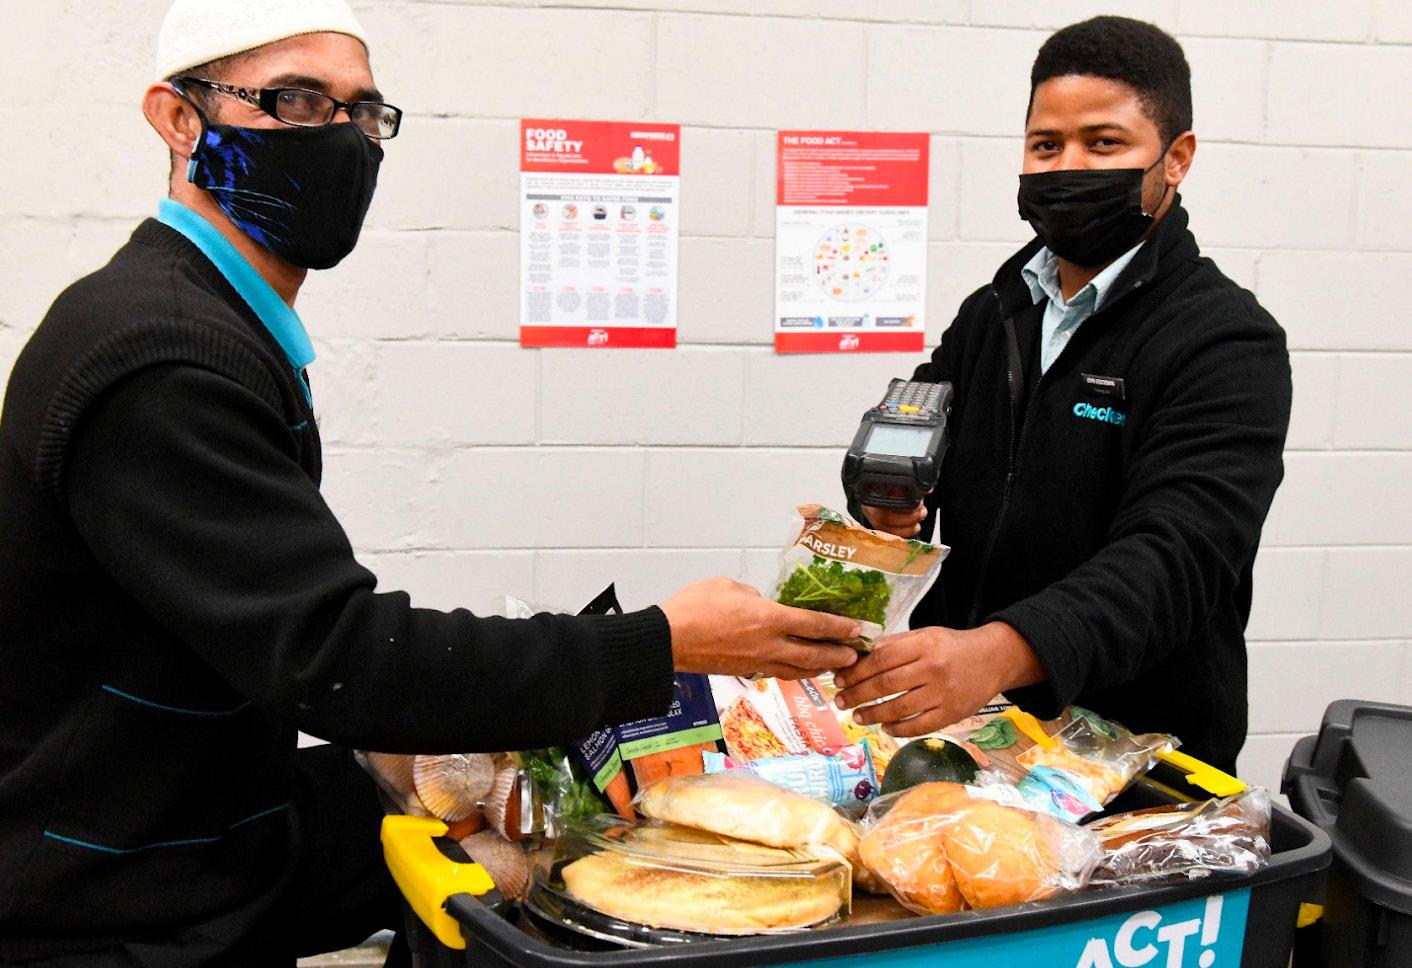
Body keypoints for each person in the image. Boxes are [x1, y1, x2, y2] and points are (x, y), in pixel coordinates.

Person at [0, 1, 861, 964]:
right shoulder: (163, 356)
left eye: (363, 113)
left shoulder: (208, 325)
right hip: (114, 901)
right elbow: (335, 656)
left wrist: (424, 748)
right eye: (295, 101)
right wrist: (661, 643)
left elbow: (265, 634)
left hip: (194, 822)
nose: (341, 139)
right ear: (178, 118)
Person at [835, 16, 1291, 777]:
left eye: (1103, 143)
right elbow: (915, 438)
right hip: (974, 733)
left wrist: (1000, 652)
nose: (1068, 167)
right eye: (1046, 146)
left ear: (1177, 158)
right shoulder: (996, 311)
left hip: (1136, 760)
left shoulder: (1225, 340)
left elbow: (1176, 557)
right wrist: (884, 503)